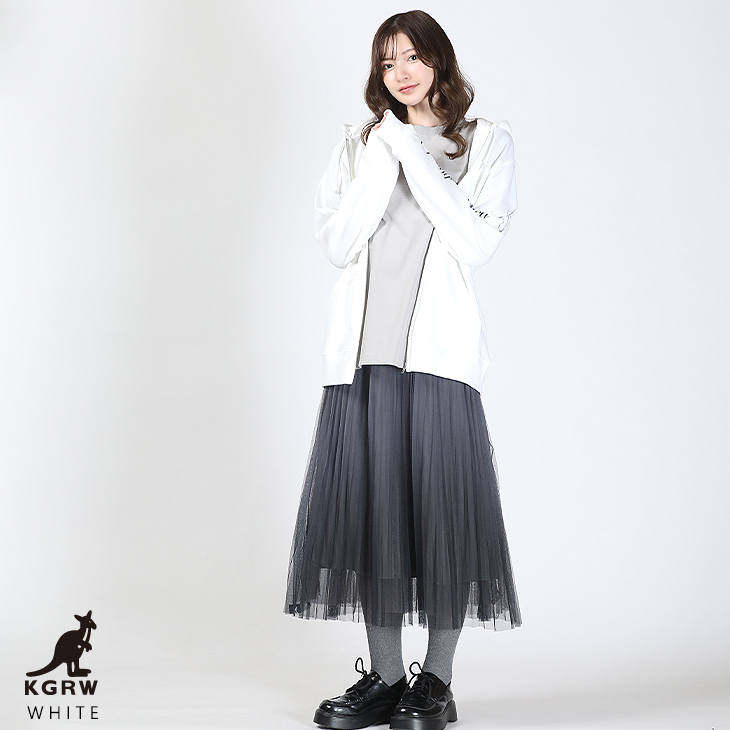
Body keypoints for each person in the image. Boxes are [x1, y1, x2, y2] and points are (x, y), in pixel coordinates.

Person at [283, 9, 521, 730]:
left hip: (440, 361)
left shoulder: (485, 142)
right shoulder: (359, 143)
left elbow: (474, 242)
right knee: (375, 520)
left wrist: (413, 152)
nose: (401, 72)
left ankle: (435, 682)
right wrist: (385, 149)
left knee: (443, 516)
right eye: (388, 62)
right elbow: (338, 243)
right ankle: (387, 680)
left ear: (439, 60)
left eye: (413, 57)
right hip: (363, 360)